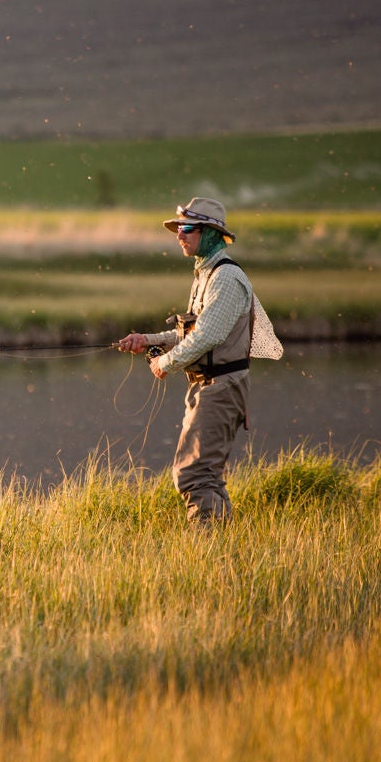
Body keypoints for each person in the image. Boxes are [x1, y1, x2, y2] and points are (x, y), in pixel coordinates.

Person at [116, 197, 280, 526]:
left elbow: (207, 338)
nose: (180, 234)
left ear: (210, 233)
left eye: (188, 228)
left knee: (193, 474)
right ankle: (222, 544)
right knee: (207, 476)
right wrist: (147, 341)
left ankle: (206, 548)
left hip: (221, 387)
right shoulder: (205, 274)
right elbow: (194, 332)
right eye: (178, 228)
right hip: (208, 387)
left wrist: (164, 363)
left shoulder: (225, 278)